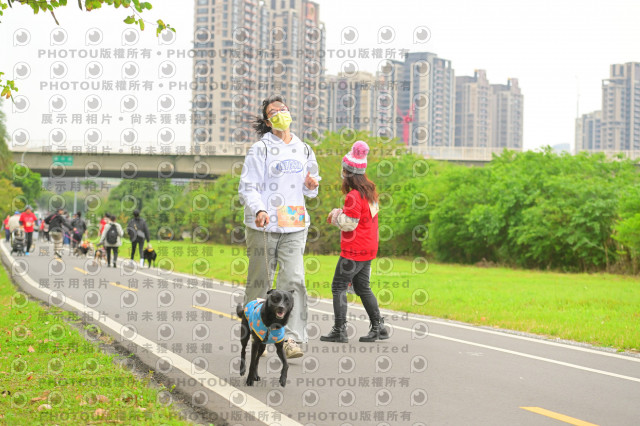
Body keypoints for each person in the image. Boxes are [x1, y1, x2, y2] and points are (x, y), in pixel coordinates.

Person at [238, 95, 321, 359]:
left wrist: (311, 185)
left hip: (295, 224)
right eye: (273, 112)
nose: (280, 113)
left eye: (283, 109)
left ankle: (290, 338)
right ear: (267, 121)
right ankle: (257, 333)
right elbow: (247, 187)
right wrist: (259, 209)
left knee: (294, 279)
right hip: (263, 225)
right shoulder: (260, 149)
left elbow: (311, 189)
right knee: (260, 283)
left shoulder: (304, 149)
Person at [320, 141, 389, 343]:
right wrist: (343, 213)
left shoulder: (353, 196)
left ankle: (339, 330)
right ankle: (379, 327)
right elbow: (365, 218)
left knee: (338, 287)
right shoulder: (371, 192)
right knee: (362, 287)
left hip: (354, 250)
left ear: (348, 172)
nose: (342, 174)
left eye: (343, 170)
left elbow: (350, 224)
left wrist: (335, 216)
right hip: (369, 248)